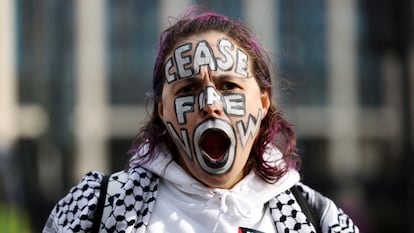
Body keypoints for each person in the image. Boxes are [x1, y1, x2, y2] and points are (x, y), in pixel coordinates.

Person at [43, 6, 359, 233]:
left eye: (229, 86)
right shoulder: (93, 210)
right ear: (162, 110)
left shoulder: (320, 220)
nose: (209, 104)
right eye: (188, 88)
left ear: (263, 102)